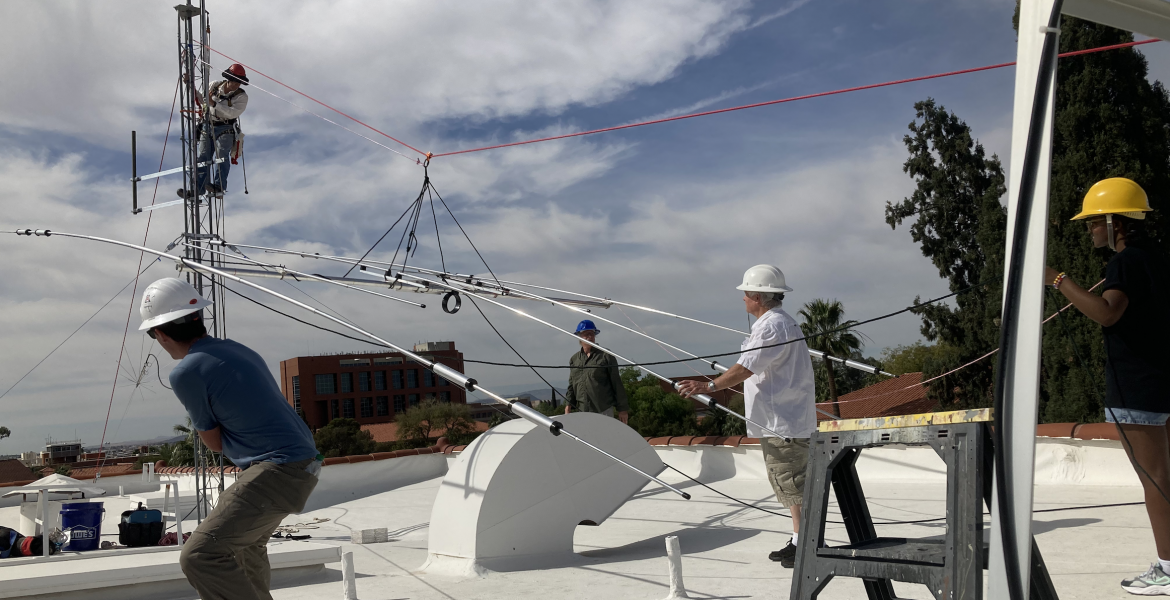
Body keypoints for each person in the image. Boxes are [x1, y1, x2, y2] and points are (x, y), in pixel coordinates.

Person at [139, 277, 321, 600]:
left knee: (198, 555)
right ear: (199, 318)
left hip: (278, 469)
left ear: (162, 334)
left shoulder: (185, 373)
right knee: (246, 546)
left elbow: (215, 443)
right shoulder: (237, 349)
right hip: (303, 463)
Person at [1044, 177, 1170, 596]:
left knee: (1154, 478)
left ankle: (1168, 567)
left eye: (1094, 221)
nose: (1089, 229)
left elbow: (1107, 313)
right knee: (1164, 475)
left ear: (1115, 221)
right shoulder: (1153, 256)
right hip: (1160, 379)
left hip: (1137, 385)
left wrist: (1058, 280)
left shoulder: (1123, 262)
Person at [678, 264, 816, 568]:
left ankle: (808, 544)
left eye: (745, 293)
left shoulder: (770, 326)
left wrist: (709, 385)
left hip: (784, 423)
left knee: (793, 484)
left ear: (757, 295)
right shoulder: (782, 323)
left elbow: (745, 368)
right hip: (785, 421)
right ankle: (800, 539)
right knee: (791, 486)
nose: (743, 299)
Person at [178, 63, 249, 200]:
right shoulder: (214, 85)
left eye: (239, 82)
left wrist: (214, 104)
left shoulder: (241, 97)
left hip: (226, 127)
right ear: (229, 78)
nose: (236, 85)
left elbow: (232, 113)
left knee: (222, 154)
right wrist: (190, 83)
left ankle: (219, 186)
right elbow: (201, 99)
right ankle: (196, 191)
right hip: (207, 125)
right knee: (202, 157)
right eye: (235, 81)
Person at [563, 319, 630, 423]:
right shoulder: (574, 359)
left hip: (603, 409)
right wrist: (568, 405)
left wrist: (622, 409)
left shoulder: (606, 356)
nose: (590, 337)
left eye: (592, 334)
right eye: (586, 334)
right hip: (582, 410)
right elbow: (572, 385)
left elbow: (616, 383)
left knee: (605, 438)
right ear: (579, 337)